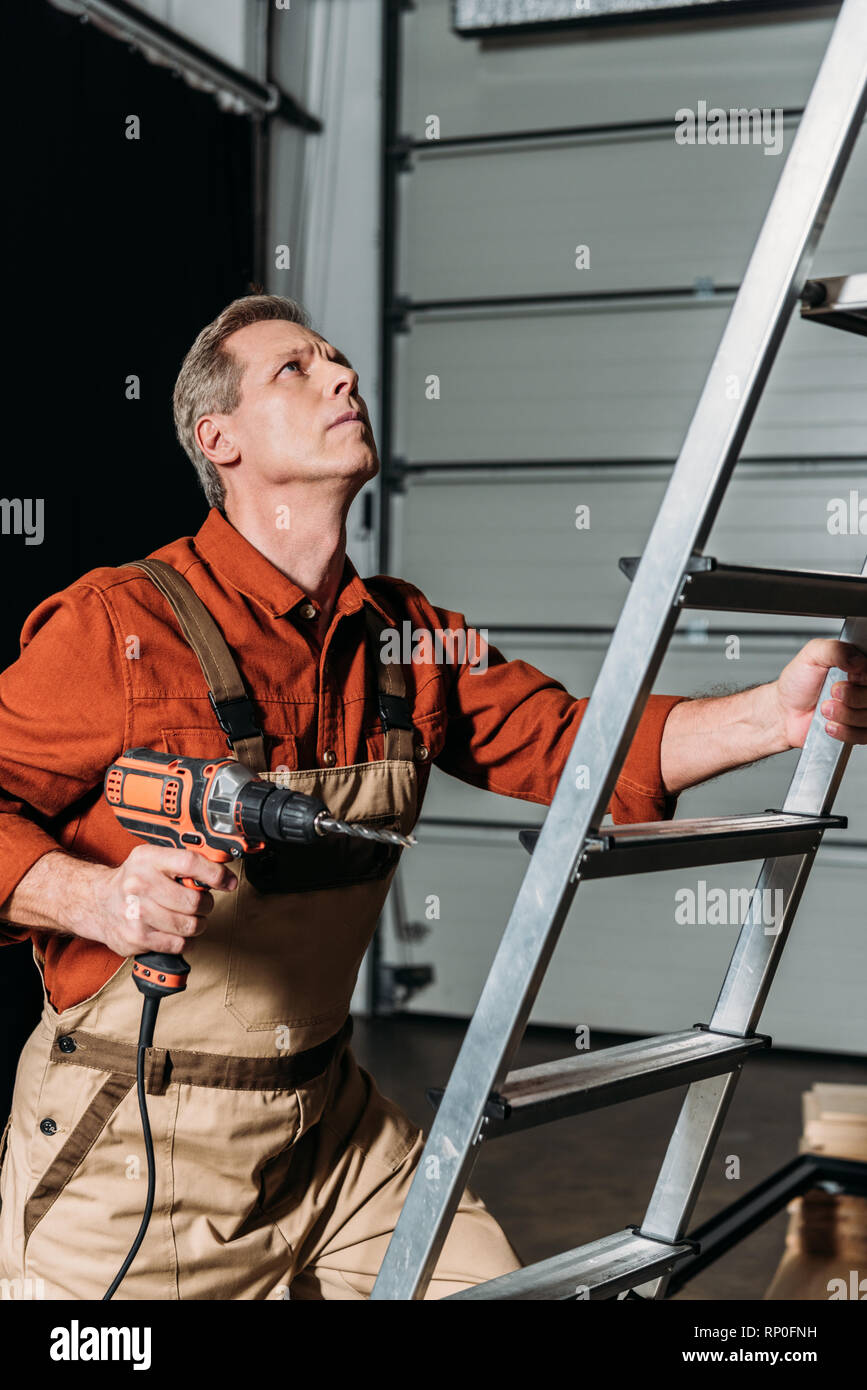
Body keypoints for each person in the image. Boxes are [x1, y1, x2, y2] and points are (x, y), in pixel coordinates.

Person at [0, 294, 863, 1301]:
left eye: (339, 362)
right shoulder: (118, 629)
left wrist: (777, 712)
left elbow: (579, 746)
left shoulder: (406, 642)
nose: (343, 377)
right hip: (139, 1146)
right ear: (218, 438)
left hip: (333, 1131)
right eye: (297, 369)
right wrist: (93, 900)